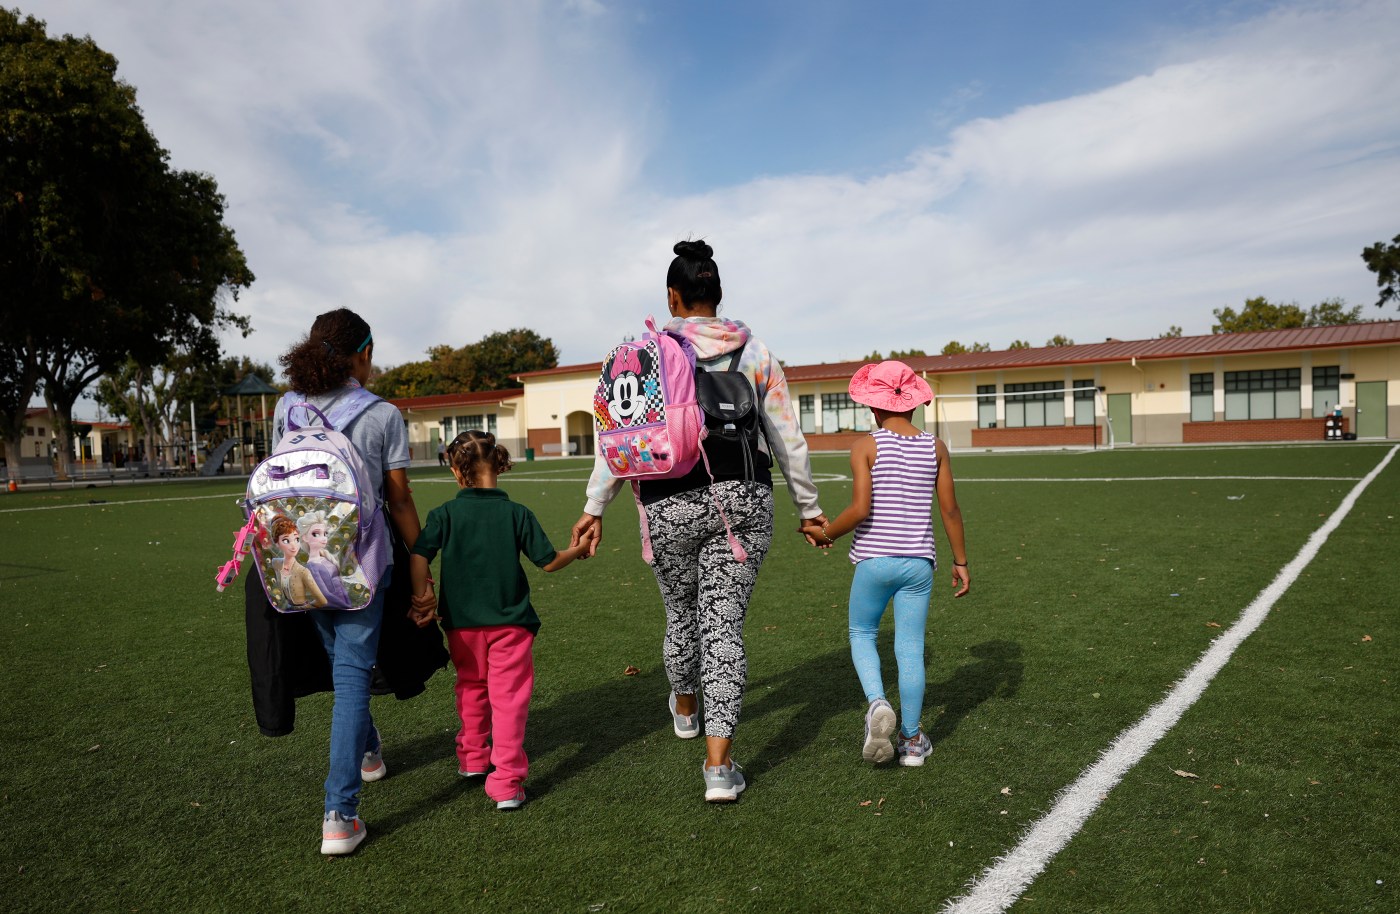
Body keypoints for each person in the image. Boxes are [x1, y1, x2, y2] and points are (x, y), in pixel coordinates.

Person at [571, 239, 827, 803]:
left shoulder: (647, 352)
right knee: (723, 625)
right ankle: (719, 766)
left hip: (667, 503)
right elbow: (787, 438)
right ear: (719, 295)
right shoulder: (755, 352)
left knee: (681, 614)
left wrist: (594, 509)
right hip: (742, 500)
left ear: (672, 296)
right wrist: (809, 509)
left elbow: (619, 440)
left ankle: (685, 705)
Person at [272, 307, 424, 855]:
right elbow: (399, 497)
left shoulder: (287, 405)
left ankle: (368, 751)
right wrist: (421, 560)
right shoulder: (381, 413)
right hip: (362, 561)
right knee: (354, 670)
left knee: (344, 663)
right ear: (363, 353)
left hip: (298, 565)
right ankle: (340, 812)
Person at [409, 430, 594, 810]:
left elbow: (419, 553)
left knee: (471, 688)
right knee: (508, 700)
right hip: (510, 624)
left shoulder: (443, 513)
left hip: (460, 625)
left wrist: (422, 594)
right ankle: (506, 783)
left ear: (457, 473)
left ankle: (474, 758)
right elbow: (549, 561)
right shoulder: (517, 513)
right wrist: (577, 550)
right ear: (499, 465)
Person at [801, 361, 970, 767]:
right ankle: (912, 742)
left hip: (874, 561)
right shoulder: (936, 447)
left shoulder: (865, 446)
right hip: (918, 565)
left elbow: (860, 509)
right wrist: (961, 561)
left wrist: (824, 534)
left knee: (862, 632)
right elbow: (949, 511)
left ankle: (877, 703)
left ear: (873, 407)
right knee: (909, 648)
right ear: (914, 404)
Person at [271, 515, 328, 609]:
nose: (294, 546)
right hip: (284, 610)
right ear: (277, 543)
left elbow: (322, 601)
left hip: (302, 613)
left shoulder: (302, 572)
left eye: (296, 539)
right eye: (286, 540)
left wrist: (305, 607)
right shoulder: (275, 563)